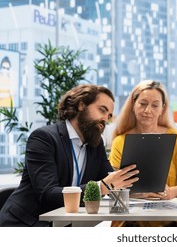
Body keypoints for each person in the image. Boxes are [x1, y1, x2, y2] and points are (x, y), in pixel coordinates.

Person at [0, 84, 139, 227]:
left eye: (109, 115)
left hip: (63, 225)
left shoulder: (95, 145)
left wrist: (140, 191)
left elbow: (111, 181)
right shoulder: (43, 138)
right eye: (102, 110)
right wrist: (102, 187)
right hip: (24, 224)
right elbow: (48, 194)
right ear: (81, 105)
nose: (106, 119)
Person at [109, 80, 177, 227]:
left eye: (155, 105)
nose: (148, 110)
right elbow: (115, 189)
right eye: (142, 104)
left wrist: (171, 192)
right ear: (133, 106)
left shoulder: (176, 138)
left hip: (170, 219)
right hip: (133, 220)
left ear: (162, 109)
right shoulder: (120, 141)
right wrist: (139, 194)